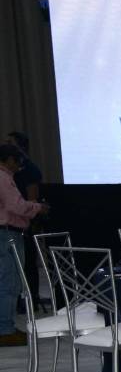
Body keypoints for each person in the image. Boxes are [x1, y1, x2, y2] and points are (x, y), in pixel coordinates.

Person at [0, 144, 47, 346]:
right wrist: (37, 207)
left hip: (5, 233)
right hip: (7, 234)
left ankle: (5, 327)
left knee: (6, 281)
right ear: (9, 159)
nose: (19, 165)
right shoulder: (3, 177)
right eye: (17, 160)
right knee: (9, 283)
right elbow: (16, 206)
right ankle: (4, 331)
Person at [6, 132, 44, 313]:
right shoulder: (5, 173)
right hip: (10, 224)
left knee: (27, 264)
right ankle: (15, 304)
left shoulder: (29, 169)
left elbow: (32, 196)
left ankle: (31, 300)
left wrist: (32, 217)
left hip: (23, 223)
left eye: (10, 143)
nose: (6, 145)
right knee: (11, 270)